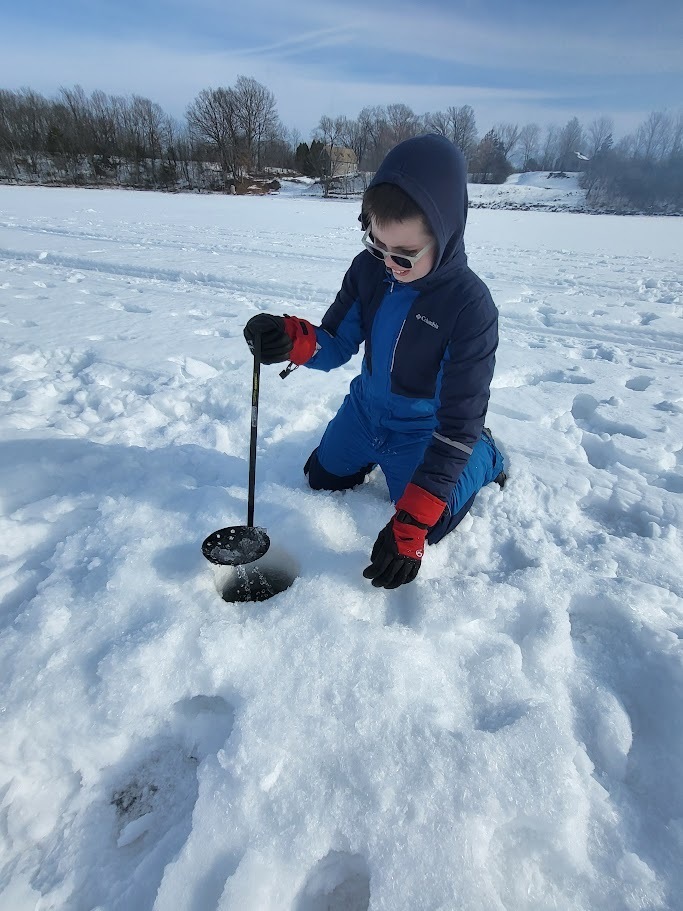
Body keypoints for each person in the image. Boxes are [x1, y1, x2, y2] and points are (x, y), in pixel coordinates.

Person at [244, 133, 506, 590]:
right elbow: (335, 341)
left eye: (404, 256)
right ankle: (367, 455)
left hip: (424, 430)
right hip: (365, 412)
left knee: (430, 523)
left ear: (445, 234)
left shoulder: (470, 307)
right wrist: (290, 340)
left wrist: (410, 527)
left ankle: (485, 456)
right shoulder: (368, 271)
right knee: (320, 479)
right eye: (377, 245)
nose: (388, 264)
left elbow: (454, 427)